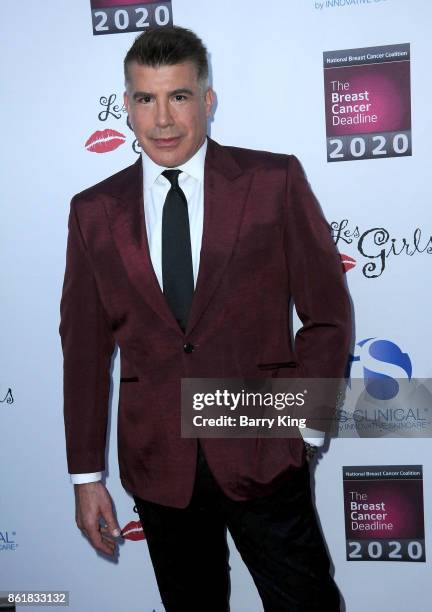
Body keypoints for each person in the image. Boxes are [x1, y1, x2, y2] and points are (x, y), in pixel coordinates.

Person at [59, 26, 351, 611]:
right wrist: (85, 476)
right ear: (128, 105)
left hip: (265, 444)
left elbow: (327, 311)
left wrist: (306, 424)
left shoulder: (273, 182)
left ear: (207, 100)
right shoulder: (94, 211)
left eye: (179, 97)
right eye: (146, 99)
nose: (163, 119)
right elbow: (85, 351)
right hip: (159, 463)